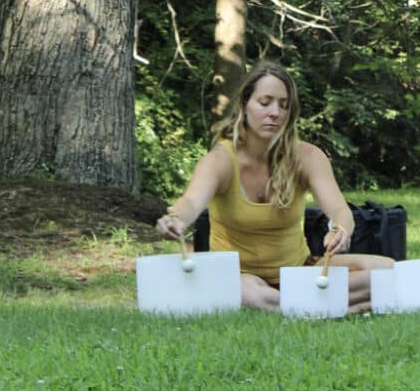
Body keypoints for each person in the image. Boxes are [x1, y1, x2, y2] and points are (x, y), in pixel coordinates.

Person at [156, 59, 393, 313]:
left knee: (388, 270)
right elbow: (191, 201)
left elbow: (339, 209)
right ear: (244, 105)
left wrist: (341, 230)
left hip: (298, 271)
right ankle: (331, 303)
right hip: (241, 277)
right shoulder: (221, 161)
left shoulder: (307, 157)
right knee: (257, 296)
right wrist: (175, 219)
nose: (275, 113)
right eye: (265, 102)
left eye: (284, 105)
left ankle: (309, 303)